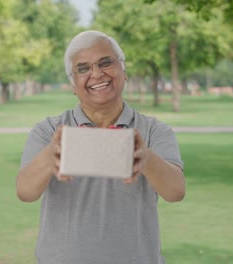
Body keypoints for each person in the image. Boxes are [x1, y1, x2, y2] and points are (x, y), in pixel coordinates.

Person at [16, 30, 185, 264]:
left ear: (124, 72)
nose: (96, 73)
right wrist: (50, 157)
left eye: (105, 63)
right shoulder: (48, 131)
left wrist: (144, 157)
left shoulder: (154, 131)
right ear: (73, 84)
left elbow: (176, 192)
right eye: (83, 68)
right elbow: (25, 192)